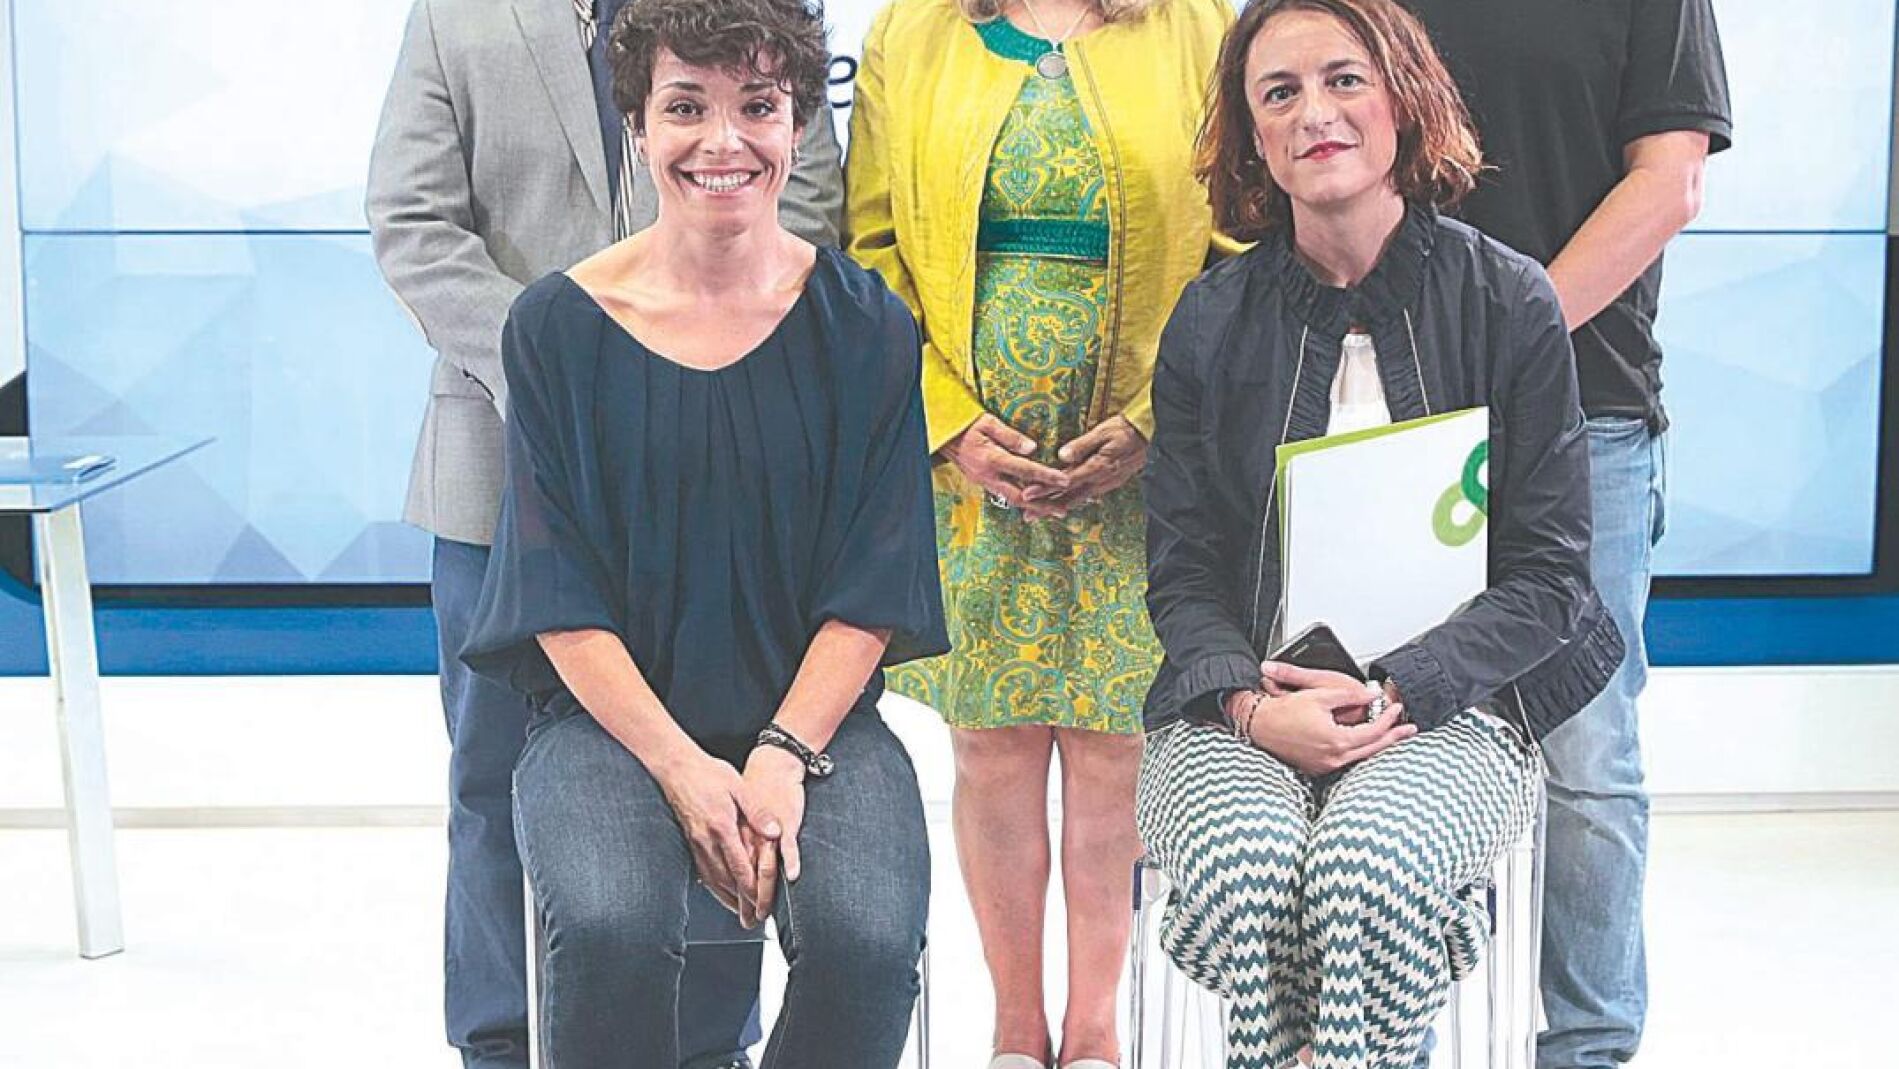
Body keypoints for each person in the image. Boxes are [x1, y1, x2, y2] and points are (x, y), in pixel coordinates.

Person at [1133, 0, 1627, 1065]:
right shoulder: (1209, 319)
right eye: (1279, 93)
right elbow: (1181, 571)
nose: (1315, 112)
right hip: (1241, 705)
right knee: (1249, 874)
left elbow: (1551, 577)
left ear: (1404, 98)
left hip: (1450, 706)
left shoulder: (1510, 301)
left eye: (1344, 79)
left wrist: (1402, 689)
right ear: (1253, 137)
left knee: (1365, 873)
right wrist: (1252, 708)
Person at [456, 0, 947, 1065]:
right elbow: (557, 593)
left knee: (867, 941)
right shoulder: (555, 326)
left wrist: (780, 755)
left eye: (757, 107)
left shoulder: (866, 325)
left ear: (799, 124)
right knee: (612, 927)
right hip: (610, 727)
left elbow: (874, 584)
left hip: (816, 722)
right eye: (686, 108)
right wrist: (681, 766)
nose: (723, 142)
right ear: (638, 127)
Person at [365, 0, 843, 1063]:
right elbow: (414, 225)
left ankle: (706, 1042)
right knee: (494, 781)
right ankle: (501, 1042)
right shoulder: (456, 18)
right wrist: (568, 366)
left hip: (717, 477)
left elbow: (806, 192)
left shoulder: (749, 12)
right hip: (499, 471)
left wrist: (701, 351)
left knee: (711, 757)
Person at [845, 0, 1233, 1064]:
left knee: (1116, 744)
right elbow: (868, 251)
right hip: (969, 467)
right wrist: (943, 419)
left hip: (1150, 463)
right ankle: (1016, 1023)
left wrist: (1157, 418)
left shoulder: (1200, 25)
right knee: (991, 742)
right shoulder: (911, 31)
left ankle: (1096, 1024)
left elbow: (1244, 240)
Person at [1393, 4, 1730, 1065]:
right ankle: (1388, 1034)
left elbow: (1668, 180)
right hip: (1390, 404)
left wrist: (1509, 336)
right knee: (1392, 731)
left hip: (1588, 409)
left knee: (1586, 751)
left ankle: (1587, 1043)